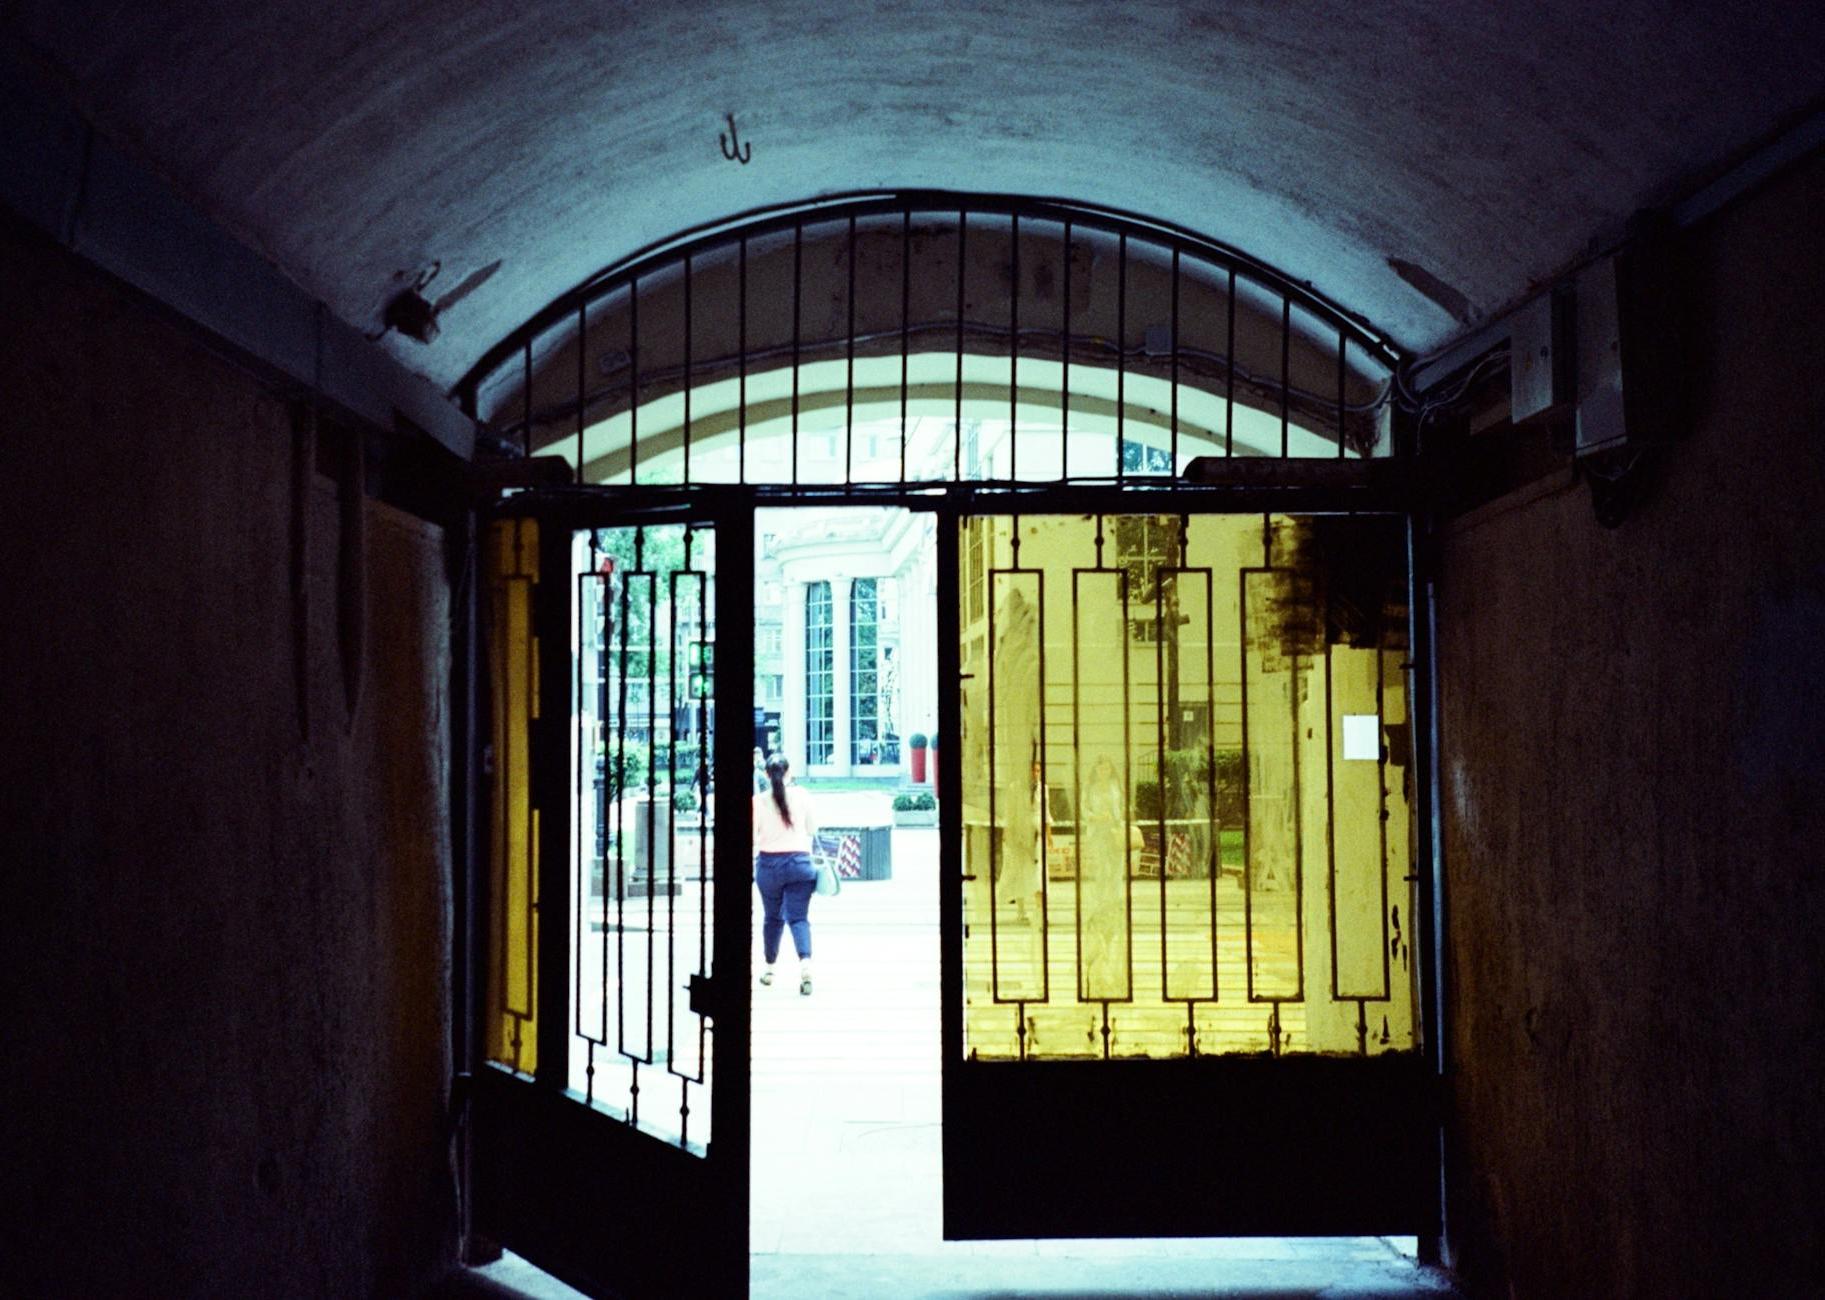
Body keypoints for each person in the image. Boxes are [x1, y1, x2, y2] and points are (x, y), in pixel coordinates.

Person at [753, 753, 819, 994]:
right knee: (799, 918)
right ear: (789, 773)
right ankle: (806, 968)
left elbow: (752, 837)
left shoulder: (758, 801)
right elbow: (813, 828)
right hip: (800, 864)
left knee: (773, 918)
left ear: (767, 775)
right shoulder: (803, 796)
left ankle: (770, 970)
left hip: (769, 866)